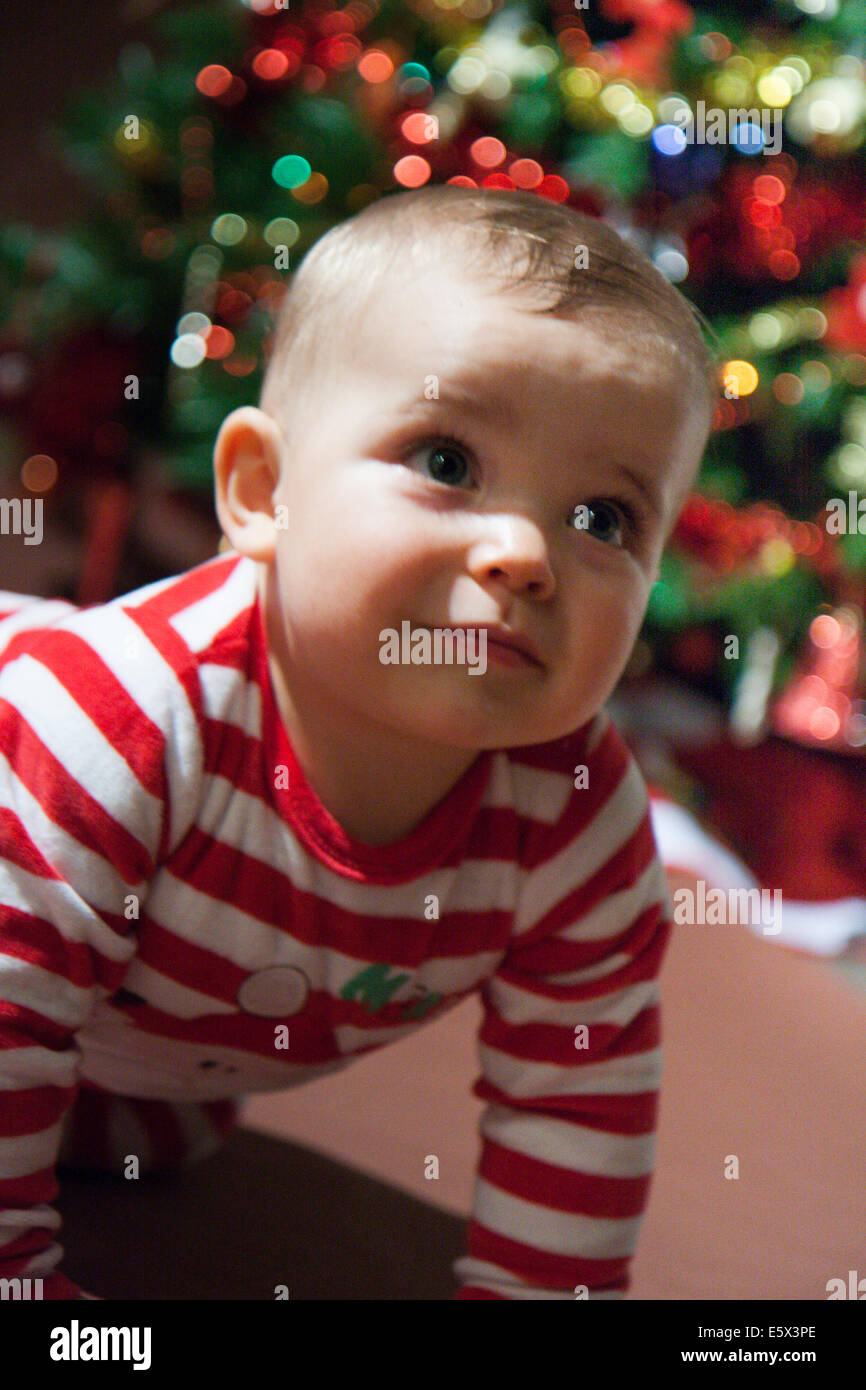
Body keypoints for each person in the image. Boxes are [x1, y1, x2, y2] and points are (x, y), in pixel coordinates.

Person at [0, 185, 714, 1300]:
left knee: (155, 1137)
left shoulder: (575, 822)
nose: (524, 552)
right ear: (262, 492)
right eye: (445, 462)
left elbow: (578, 1090)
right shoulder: (108, 724)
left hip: (151, 1034)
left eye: (602, 519)